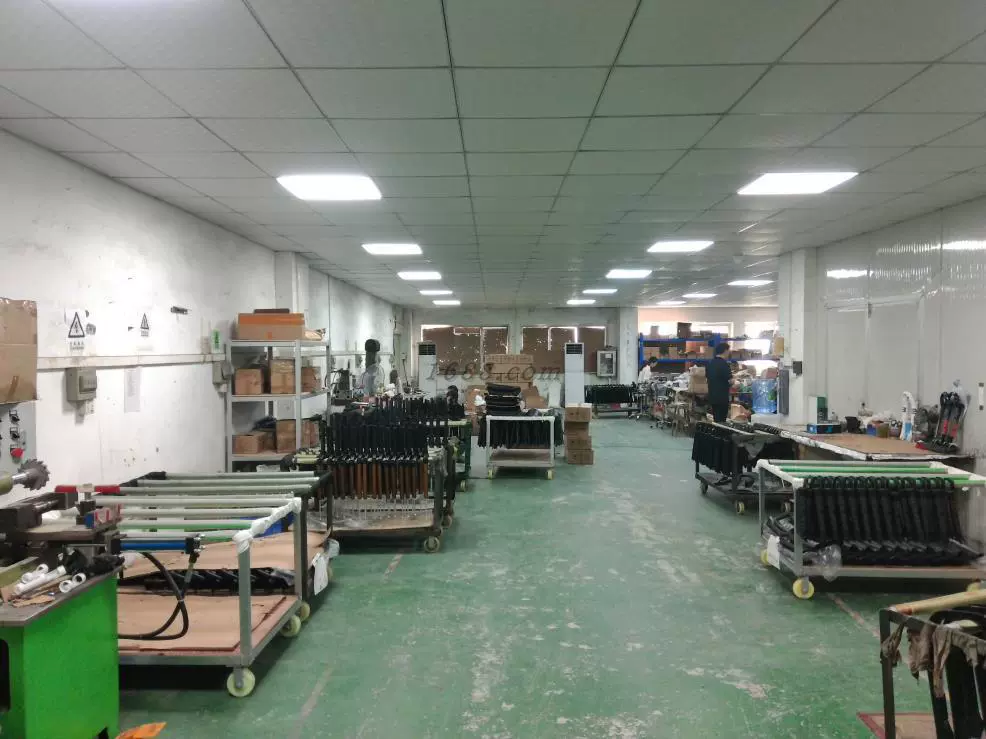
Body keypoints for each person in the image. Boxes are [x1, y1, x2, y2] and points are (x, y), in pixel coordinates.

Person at [706, 343, 732, 423]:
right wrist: (736, 382)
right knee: (722, 421)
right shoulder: (724, 364)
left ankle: (716, 430)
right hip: (722, 397)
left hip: (712, 396)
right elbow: (730, 380)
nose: (729, 353)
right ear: (725, 351)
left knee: (716, 419)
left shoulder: (710, 363)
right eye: (728, 351)